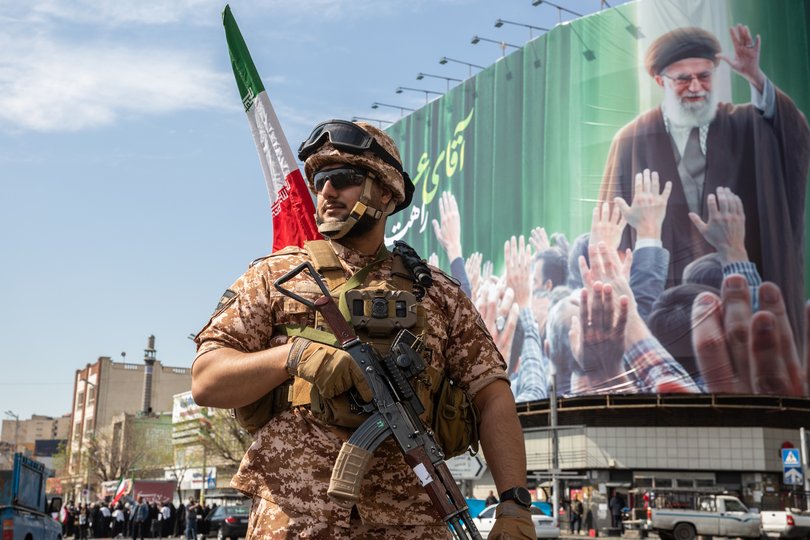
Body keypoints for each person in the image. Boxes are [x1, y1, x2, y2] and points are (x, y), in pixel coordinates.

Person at [192, 120, 534, 539]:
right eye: (319, 180)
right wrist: (293, 356)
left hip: (414, 518)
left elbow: (492, 394)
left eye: (344, 179)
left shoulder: (439, 294)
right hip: (296, 518)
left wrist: (514, 504)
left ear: (387, 192)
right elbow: (207, 380)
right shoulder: (276, 277)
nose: (326, 192)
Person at [598, 24, 810, 344]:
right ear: (661, 81)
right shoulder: (631, 140)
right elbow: (607, 234)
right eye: (683, 79)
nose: (696, 86)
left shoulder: (745, 124)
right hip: (664, 314)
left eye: (704, 76)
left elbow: (790, 134)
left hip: (740, 312)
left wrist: (755, 77)